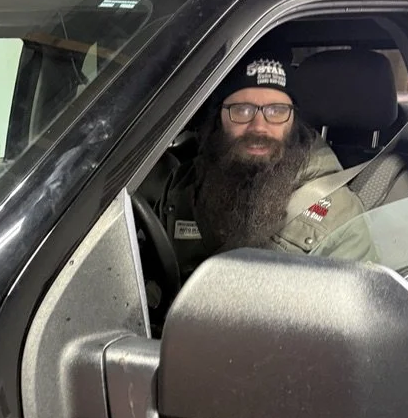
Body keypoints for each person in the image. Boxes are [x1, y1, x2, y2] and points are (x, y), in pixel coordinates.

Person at [158, 52, 375, 281]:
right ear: (218, 116)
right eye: (242, 110)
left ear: (293, 120)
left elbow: (355, 300)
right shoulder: (181, 187)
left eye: (277, 111)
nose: (259, 127)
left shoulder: (340, 214)